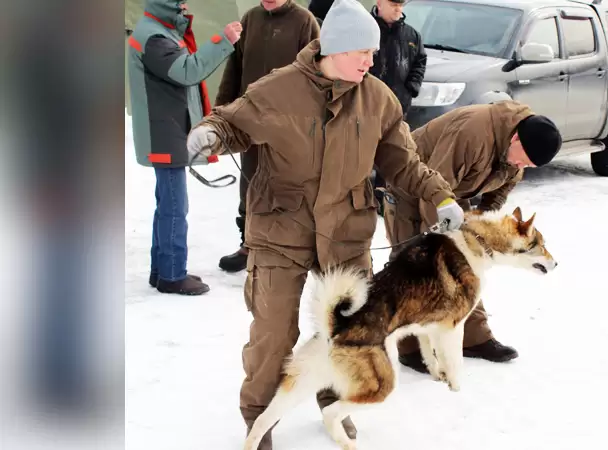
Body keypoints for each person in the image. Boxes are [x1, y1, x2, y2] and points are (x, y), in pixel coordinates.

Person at [185, 0, 464, 447]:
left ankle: (334, 403)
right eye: (363, 53)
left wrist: (441, 195)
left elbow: (404, 163)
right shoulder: (279, 89)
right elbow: (232, 122)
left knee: (349, 331)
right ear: (334, 48)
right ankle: (259, 418)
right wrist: (210, 134)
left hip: (346, 233)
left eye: (373, 53)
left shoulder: (378, 99)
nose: (372, 62)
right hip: (281, 229)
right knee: (273, 332)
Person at [382, 100, 562, 372]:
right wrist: (443, 244)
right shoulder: (472, 133)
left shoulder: (519, 147)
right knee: (414, 263)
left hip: (453, 195)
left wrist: (481, 225)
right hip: (412, 187)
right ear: (515, 137)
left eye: (527, 164)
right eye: (522, 158)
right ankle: (410, 347)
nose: (520, 165)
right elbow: (434, 183)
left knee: (468, 266)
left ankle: (474, 338)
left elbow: (500, 190)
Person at [127, 0, 241, 295]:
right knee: (175, 207)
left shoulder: (157, 31)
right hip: (165, 133)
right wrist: (223, 41)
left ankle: (161, 270)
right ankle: (173, 274)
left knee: (166, 204)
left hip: (167, 130)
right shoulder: (154, 38)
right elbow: (188, 71)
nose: (186, 4)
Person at [215, 0, 321, 273]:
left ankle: (288, 248)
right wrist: (224, 108)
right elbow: (235, 67)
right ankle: (248, 244)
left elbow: (318, 72)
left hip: (290, 123)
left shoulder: (304, 22)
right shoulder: (250, 19)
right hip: (251, 118)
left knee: (287, 185)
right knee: (250, 181)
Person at [368, 0, 427, 212]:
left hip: (398, 106)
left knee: (392, 151)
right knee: (364, 151)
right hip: (367, 105)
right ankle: (361, 198)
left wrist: (411, 87)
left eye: (401, 5)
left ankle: (383, 199)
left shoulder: (412, 35)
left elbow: (420, 61)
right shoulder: (367, 28)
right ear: (379, 3)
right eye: (394, 4)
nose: (398, 9)